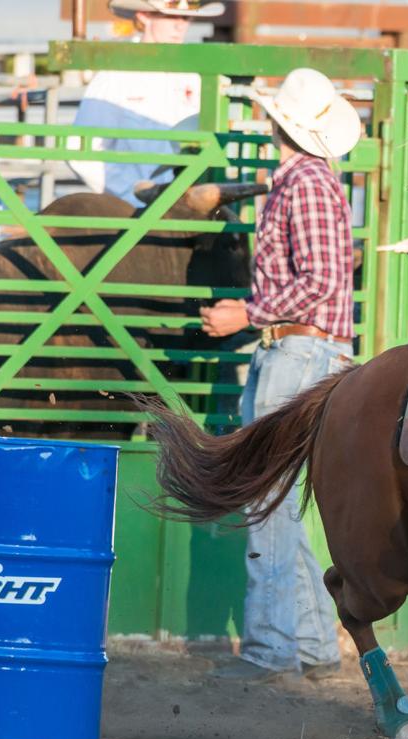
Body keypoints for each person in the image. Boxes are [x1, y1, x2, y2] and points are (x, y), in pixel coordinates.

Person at [198, 67, 362, 684]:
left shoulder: (305, 184)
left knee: (269, 503)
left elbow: (319, 281)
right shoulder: (312, 181)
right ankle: (316, 645)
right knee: (281, 506)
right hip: (299, 351)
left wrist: (247, 311)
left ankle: (270, 652)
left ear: (276, 124)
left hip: (296, 353)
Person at [69, 0, 224, 205]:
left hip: (186, 206)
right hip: (137, 209)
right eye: (170, 16)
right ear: (144, 15)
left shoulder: (195, 76)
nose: (181, 25)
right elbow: (80, 150)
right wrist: (134, 194)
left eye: (186, 17)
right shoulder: (116, 74)